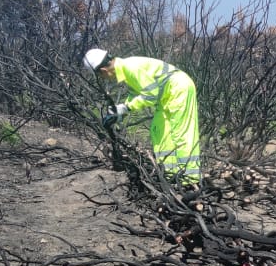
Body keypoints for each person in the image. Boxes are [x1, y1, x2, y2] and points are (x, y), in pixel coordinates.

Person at [84, 48, 200, 183]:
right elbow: (138, 92)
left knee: (182, 134)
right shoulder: (126, 70)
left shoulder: (131, 68)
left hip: (179, 89)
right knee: (160, 132)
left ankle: (190, 179)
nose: (104, 79)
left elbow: (151, 95)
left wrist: (127, 107)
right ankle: (171, 174)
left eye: (101, 76)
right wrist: (120, 110)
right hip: (167, 95)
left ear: (104, 71)